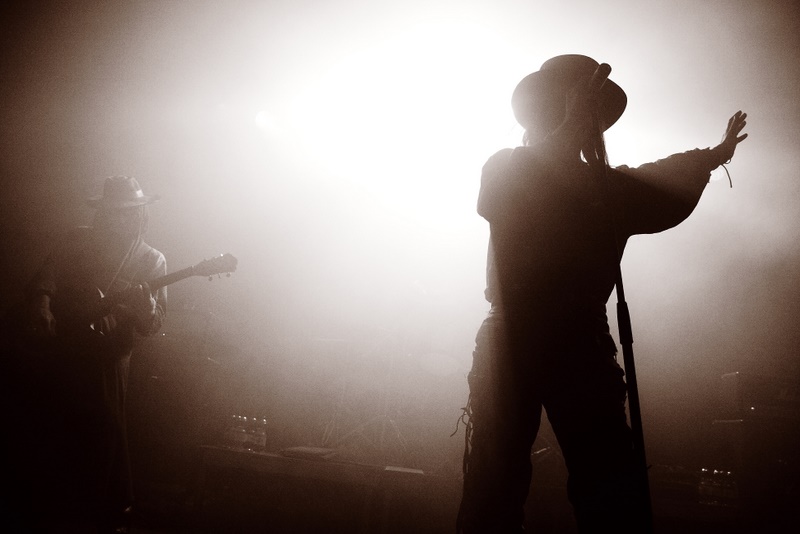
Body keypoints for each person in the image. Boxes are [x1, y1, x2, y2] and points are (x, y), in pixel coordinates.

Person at [456, 54, 748, 533]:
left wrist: (710, 156)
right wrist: (573, 124)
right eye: (577, 106)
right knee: (494, 483)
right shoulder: (508, 167)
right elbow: (503, 195)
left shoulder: (606, 189)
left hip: (580, 343)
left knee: (609, 483)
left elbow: (659, 178)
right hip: (512, 338)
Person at [1, 175, 167, 533]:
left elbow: (151, 325)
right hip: (59, 353)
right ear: (104, 213)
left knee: (104, 436)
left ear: (141, 214)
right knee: (48, 436)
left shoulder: (151, 259)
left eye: (130, 212)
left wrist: (147, 306)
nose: (123, 219)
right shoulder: (77, 239)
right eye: (116, 212)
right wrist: (42, 305)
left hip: (108, 361)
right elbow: (46, 277)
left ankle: (104, 513)